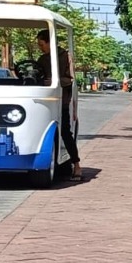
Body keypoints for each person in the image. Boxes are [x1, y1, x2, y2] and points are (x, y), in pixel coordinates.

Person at [37, 28, 82, 180]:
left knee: (65, 132)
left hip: (61, 101)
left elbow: (70, 79)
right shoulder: (42, 59)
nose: (40, 48)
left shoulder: (65, 56)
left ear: (50, 42)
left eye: (42, 44)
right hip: (43, 101)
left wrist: (54, 81)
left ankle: (76, 165)